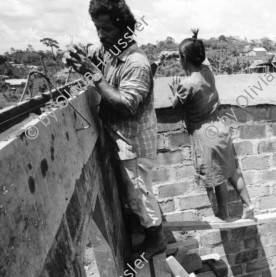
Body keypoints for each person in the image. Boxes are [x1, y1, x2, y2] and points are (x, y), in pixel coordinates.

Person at [65, 0, 166, 256]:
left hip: (134, 143)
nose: (101, 35)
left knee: (140, 194)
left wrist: (94, 75)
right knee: (134, 192)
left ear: (123, 28)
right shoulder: (109, 51)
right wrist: (72, 52)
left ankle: (155, 238)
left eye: (106, 29)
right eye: (97, 28)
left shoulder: (136, 63)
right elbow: (87, 52)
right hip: (122, 142)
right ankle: (144, 227)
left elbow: (126, 105)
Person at [169, 29, 254, 221]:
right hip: (220, 128)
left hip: (205, 135)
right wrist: (183, 52)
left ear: (184, 59)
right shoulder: (207, 71)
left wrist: (175, 91)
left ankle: (223, 212)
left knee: (216, 177)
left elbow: (175, 106)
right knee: (230, 171)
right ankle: (248, 205)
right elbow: (201, 59)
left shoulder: (186, 84)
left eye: (180, 57)